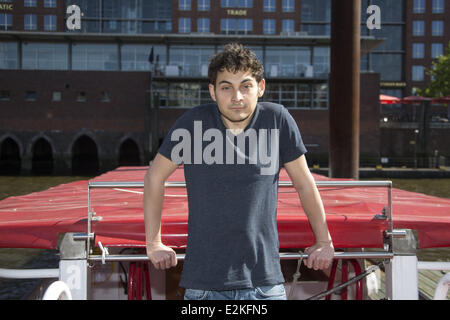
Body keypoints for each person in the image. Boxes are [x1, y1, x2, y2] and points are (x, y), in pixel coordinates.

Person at [143, 43, 334, 300]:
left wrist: (324, 241)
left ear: (261, 87)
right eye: (226, 87)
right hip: (204, 285)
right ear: (212, 91)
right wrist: (153, 243)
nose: (237, 97)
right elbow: (155, 177)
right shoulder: (192, 124)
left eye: (245, 86)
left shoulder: (277, 120)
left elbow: (304, 184)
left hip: (264, 282)